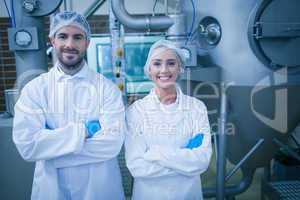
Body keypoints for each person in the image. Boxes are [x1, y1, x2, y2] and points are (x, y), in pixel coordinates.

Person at [13, 11, 125, 200]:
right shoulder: (35, 90)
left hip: (100, 190)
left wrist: (51, 149)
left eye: (78, 37)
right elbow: (28, 145)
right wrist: (83, 132)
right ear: (52, 41)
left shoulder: (107, 89)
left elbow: (112, 144)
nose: (70, 45)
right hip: (51, 190)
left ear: (87, 43)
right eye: (63, 36)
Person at [125, 40, 212, 200]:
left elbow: (202, 161)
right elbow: (137, 166)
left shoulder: (197, 108)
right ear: (149, 69)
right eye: (157, 64)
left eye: (171, 63)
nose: (164, 70)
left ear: (180, 68)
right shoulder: (136, 112)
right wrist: (184, 162)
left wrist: (156, 154)